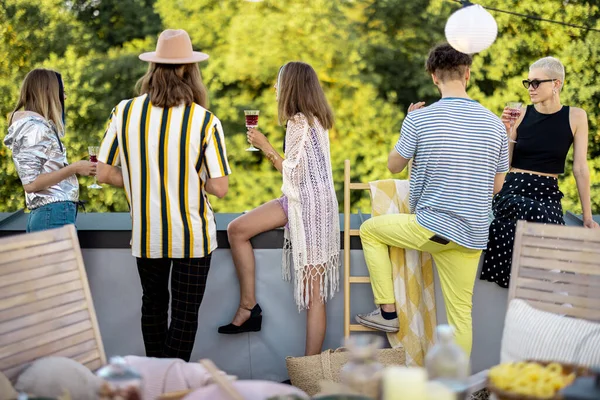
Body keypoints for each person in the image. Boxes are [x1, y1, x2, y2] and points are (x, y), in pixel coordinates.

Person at [354, 44, 509, 356]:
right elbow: (497, 185)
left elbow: (394, 166)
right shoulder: (495, 125)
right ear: (467, 74)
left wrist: (408, 123)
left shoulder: (421, 119)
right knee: (461, 319)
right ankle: (457, 389)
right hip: (473, 235)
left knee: (370, 230)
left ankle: (387, 313)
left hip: (433, 228)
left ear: (433, 77)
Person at [97, 29, 231, 361]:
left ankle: (155, 382)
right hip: (192, 235)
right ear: (190, 70)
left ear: (153, 68)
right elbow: (220, 187)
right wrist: (189, 177)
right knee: (185, 316)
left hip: (147, 234)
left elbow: (103, 172)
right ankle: (172, 385)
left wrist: (139, 181)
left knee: (153, 307)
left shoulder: (124, 112)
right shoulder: (205, 121)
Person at [218, 61, 340, 357]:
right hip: (299, 201)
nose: (275, 88)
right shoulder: (315, 120)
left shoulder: (299, 122)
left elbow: (294, 173)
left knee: (314, 295)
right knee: (237, 230)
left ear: (291, 87)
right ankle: (248, 307)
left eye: (278, 82)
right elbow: (300, 174)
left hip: (310, 209)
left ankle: (309, 372)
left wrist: (265, 146)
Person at [481, 56, 599, 288]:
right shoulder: (520, 113)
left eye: (536, 83)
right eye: (528, 82)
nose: (530, 88)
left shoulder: (576, 116)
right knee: (538, 216)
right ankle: (558, 274)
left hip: (548, 193)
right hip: (513, 189)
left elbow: (580, 168)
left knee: (548, 219)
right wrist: (506, 131)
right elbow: (504, 163)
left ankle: (547, 285)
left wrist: (587, 216)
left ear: (556, 84)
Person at [4, 69, 95, 232]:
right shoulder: (34, 128)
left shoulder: (36, 126)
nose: (65, 97)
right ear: (47, 92)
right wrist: (74, 168)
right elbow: (31, 184)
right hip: (52, 214)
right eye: (61, 92)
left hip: (52, 213)